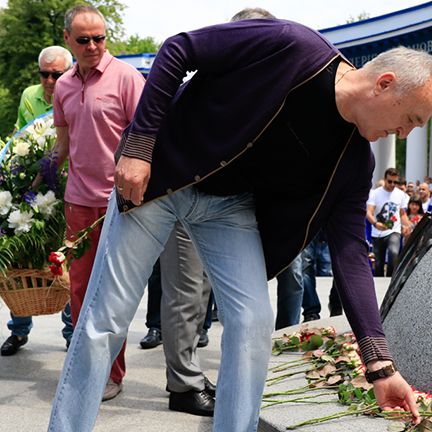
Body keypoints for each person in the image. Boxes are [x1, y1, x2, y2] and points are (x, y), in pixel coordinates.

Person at [48, 18, 431, 431]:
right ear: (384, 83)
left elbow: (352, 255)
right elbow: (179, 48)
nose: (406, 133)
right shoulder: (292, 45)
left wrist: (379, 365)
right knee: (106, 320)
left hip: (228, 209)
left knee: (253, 321)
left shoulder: (356, 163)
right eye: (412, 117)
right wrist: (140, 145)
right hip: (162, 179)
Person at [50, 5, 144, 401]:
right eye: (84, 39)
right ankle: (84, 364)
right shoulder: (63, 86)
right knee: (78, 290)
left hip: (119, 205)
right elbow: (62, 145)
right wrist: (29, 185)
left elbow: (147, 138)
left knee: (111, 294)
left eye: (100, 38)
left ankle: (111, 373)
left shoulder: (126, 78)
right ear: (68, 40)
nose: (93, 46)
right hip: (77, 203)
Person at [0, 46, 73, 357]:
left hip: (69, 186)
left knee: (66, 258)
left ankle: (72, 331)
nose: (50, 80)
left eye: (57, 74)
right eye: (45, 74)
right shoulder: (30, 95)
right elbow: (20, 135)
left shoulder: (75, 92)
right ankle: (18, 331)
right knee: (22, 256)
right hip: (32, 183)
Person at [367, 168, 410, 277]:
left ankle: (390, 278)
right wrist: (375, 223)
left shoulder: (400, 194)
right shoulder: (375, 193)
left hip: (394, 231)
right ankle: (379, 282)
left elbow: (402, 213)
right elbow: (369, 212)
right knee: (378, 263)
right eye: (390, 181)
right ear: (385, 179)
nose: (392, 184)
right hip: (377, 232)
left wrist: (407, 226)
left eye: (395, 182)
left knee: (393, 252)